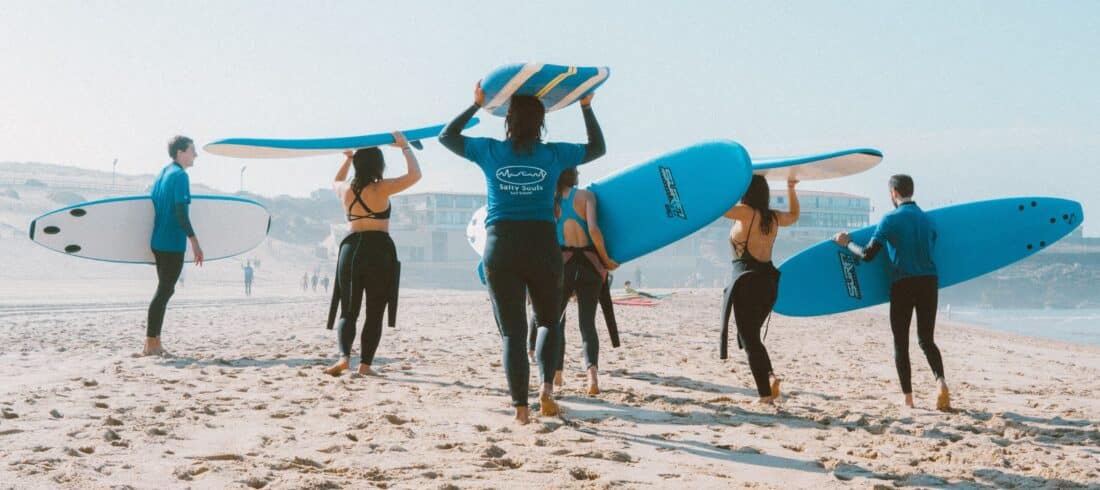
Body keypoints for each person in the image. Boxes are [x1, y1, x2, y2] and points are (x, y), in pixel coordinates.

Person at [440, 83, 605, 424]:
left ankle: (520, 410)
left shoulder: (489, 151)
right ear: (542, 123)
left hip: (501, 246)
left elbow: (447, 136)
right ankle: (545, 391)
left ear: (507, 121)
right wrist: (585, 106)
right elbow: (597, 148)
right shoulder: (553, 155)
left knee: (513, 333)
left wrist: (475, 105)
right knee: (548, 321)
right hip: (542, 244)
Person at [832, 174, 950, 411]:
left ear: (894, 193)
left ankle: (908, 399)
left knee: (901, 343)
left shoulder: (890, 220)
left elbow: (867, 254)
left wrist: (847, 243)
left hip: (903, 284)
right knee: (926, 339)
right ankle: (941, 383)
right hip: (929, 282)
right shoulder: (928, 220)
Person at [322, 132, 419, 377]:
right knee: (375, 310)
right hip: (379, 250)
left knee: (348, 310)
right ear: (379, 165)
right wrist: (405, 147)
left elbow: (335, 180)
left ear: (357, 165)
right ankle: (365, 365)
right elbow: (415, 175)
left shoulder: (345, 190)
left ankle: (344, 358)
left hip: (351, 249)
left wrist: (347, 159)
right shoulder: (383, 188)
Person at [720, 176, 799, 404]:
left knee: (750, 339)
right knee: (752, 337)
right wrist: (791, 188)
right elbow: (794, 216)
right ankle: (770, 376)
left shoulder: (746, 213)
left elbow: (722, 209)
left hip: (747, 282)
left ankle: (765, 395)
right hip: (769, 283)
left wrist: (732, 183)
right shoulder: (772, 217)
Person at [551, 167, 618, 395]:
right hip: (590, 266)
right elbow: (593, 230)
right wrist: (606, 259)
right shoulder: (587, 196)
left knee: (556, 321)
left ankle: (557, 374)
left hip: (564, 266)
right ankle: (592, 379)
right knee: (587, 324)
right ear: (575, 176)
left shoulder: (552, 201)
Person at [144, 135, 204, 357]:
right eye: (192, 150)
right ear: (181, 152)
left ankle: (154, 342)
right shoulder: (180, 176)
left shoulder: (162, 174)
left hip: (158, 241)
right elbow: (181, 213)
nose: (195, 155)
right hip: (172, 243)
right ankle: (151, 343)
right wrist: (195, 243)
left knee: (164, 290)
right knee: (164, 291)